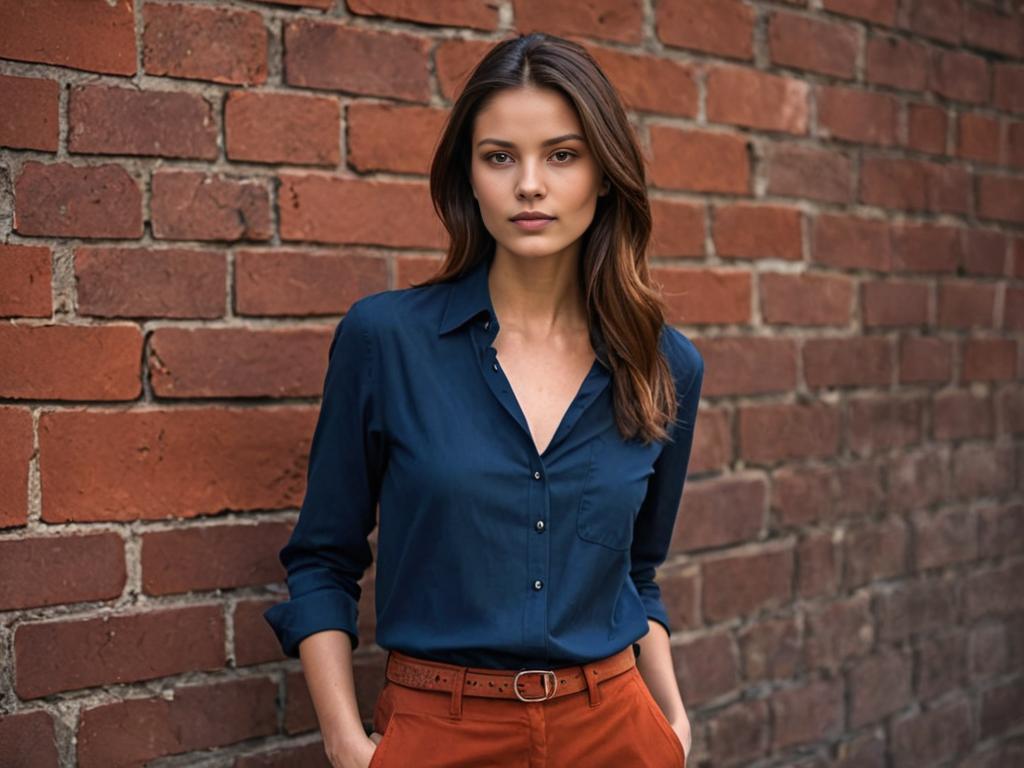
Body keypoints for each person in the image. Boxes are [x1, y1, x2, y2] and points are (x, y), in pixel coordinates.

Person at [264, 32, 704, 768]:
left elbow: (637, 573)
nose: (529, 184)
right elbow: (322, 559)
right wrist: (348, 746)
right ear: (469, 177)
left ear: (603, 174)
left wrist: (673, 727)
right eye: (500, 156)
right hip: (439, 733)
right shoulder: (386, 340)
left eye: (562, 155)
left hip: (617, 732)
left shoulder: (664, 365)